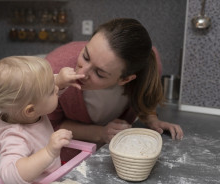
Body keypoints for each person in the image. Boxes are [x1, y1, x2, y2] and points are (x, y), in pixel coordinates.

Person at [46, 18, 184, 148]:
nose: (82, 73)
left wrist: (152, 119)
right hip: (65, 155)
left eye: (99, 73)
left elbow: (144, 94)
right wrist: (100, 133)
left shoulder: (147, 66)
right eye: (85, 56)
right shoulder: (54, 70)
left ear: (125, 79)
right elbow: (49, 126)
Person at [0, 56, 84, 184]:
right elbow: (10, 177)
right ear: (30, 110)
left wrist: (60, 81)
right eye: (51, 90)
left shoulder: (28, 111)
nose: (57, 89)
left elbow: (41, 96)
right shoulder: (15, 136)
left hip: (51, 181)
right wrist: (48, 152)